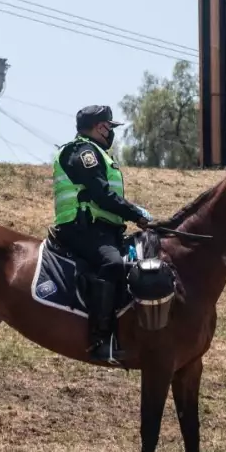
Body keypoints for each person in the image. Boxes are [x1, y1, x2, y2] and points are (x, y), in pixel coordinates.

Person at [49, 106, 154, 364]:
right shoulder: (83, 152)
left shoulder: (96, 153)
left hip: (102, 230)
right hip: (81, 229)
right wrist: (136, 214)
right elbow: (101, 195)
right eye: (110, 127)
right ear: (100, 127)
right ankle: (100, 340)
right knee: (113, 263)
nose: (112, 133)